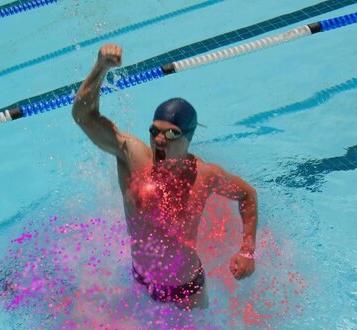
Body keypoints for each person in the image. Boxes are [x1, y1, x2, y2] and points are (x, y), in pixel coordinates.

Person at [71, 44, 257, 309]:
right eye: (154, 130)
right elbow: (83, 116)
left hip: (186, 289)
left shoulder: (205, 175)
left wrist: (247, 250)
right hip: (141, 279)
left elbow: (247, 195)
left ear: (188, 138)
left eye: (170, 134)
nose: (159, 139)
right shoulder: (131, 155)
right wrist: (100, 67)